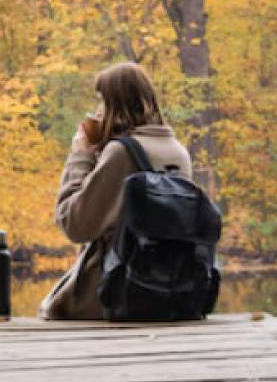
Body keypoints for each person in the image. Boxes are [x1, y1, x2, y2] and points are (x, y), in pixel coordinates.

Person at [38, 61, 193, 320]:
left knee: (51, 307)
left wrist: (81, 156)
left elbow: (75, 223)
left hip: (118, 289)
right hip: (169, 289)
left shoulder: (122, 153)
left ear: (113, 105)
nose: (97, 112)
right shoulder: (177, 150)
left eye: (100, 102)